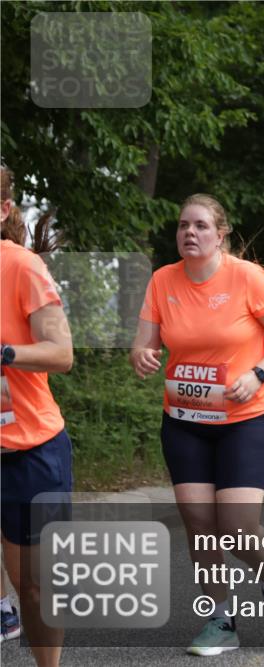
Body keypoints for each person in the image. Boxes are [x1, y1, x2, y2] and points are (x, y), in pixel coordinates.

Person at [130, 194, 264, 656]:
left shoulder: (247, 278)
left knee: (237, 525)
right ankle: (220, 619)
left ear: (221, 234)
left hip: (245, 421)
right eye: (184, 225)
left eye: (201, 226)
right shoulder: (163, 281)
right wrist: (142, 355)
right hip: (185, 421)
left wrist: (258, 373)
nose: (190, 233)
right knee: (199, 524)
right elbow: (144, 344)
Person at [1, 163, 74, 667]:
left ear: (3, 209)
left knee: (34, 587)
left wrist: (5, 353)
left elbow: (61, 353)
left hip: (29, 450)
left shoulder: (22, 266)